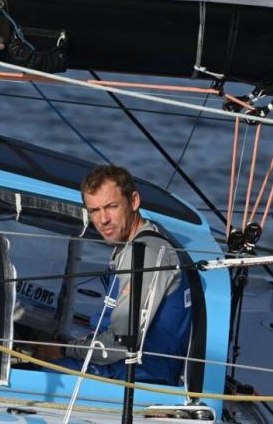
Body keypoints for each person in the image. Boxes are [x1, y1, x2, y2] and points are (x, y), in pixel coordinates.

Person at [35, 165, 192, 385]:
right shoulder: (133, 243)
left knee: (42, 374)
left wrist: (65, 350)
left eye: (111, 207)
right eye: (94, 211)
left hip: (141, 376)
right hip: (128, 365)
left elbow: (121, 344)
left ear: (134, 201)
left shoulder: (144, 252)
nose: (103, 220)